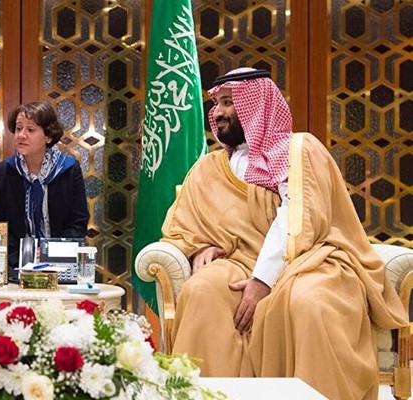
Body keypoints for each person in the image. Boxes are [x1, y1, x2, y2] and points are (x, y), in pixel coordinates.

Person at [161, 67, 407, 399]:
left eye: (229, 102)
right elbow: (184, 224)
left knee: (309, 303)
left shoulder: (298, 150)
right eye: (216, 103)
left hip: (310, 261)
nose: (217, 112)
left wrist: (263, 281)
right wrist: (198, 248)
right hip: (238, 262)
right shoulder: (208, 168)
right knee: (202, 291)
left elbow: (298, 217)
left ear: (257, 105)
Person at [0, 101, 89, 279]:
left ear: (48, 136)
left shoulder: (69, 169)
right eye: (18, 128)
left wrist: (54, 257)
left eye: (30, 130)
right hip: (15, 267)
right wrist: (23, 262)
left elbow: (78, 222)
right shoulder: (1, 173)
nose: (21, 135)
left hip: (61, 266)